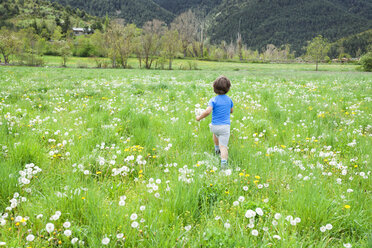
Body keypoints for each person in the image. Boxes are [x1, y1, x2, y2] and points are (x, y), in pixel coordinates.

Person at [196, 76, 233, 168]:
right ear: (228, 88)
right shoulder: (229, 100)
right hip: (225, 127)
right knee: (223, 146)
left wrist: (199, 117)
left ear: (214, 88)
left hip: (215, 126)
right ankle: (223, 164)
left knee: (215, 134)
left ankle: (216, 149)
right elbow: (231, 111)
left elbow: (208, 111)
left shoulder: (213, 100)